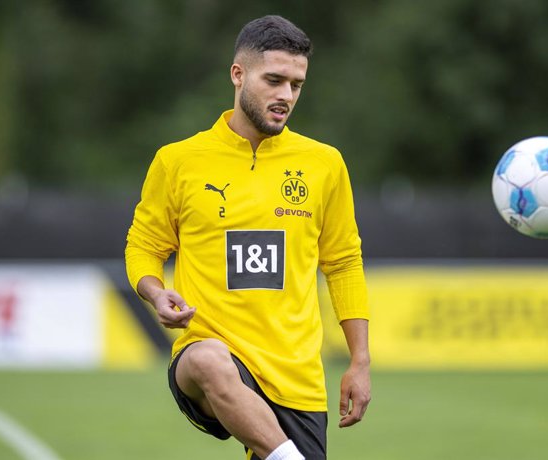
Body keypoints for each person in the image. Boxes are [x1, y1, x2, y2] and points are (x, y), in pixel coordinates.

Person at [125, 15, 370, 460]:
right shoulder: (178, 161)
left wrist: (360, 360)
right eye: (274, 80)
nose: (286, 96)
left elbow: (343, 263)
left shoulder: (324, 164)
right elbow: (144, 245)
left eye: (296, 84)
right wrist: (155, 292)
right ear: (237, 74)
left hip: (296, 375)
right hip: (210, 358)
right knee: (206, 358)